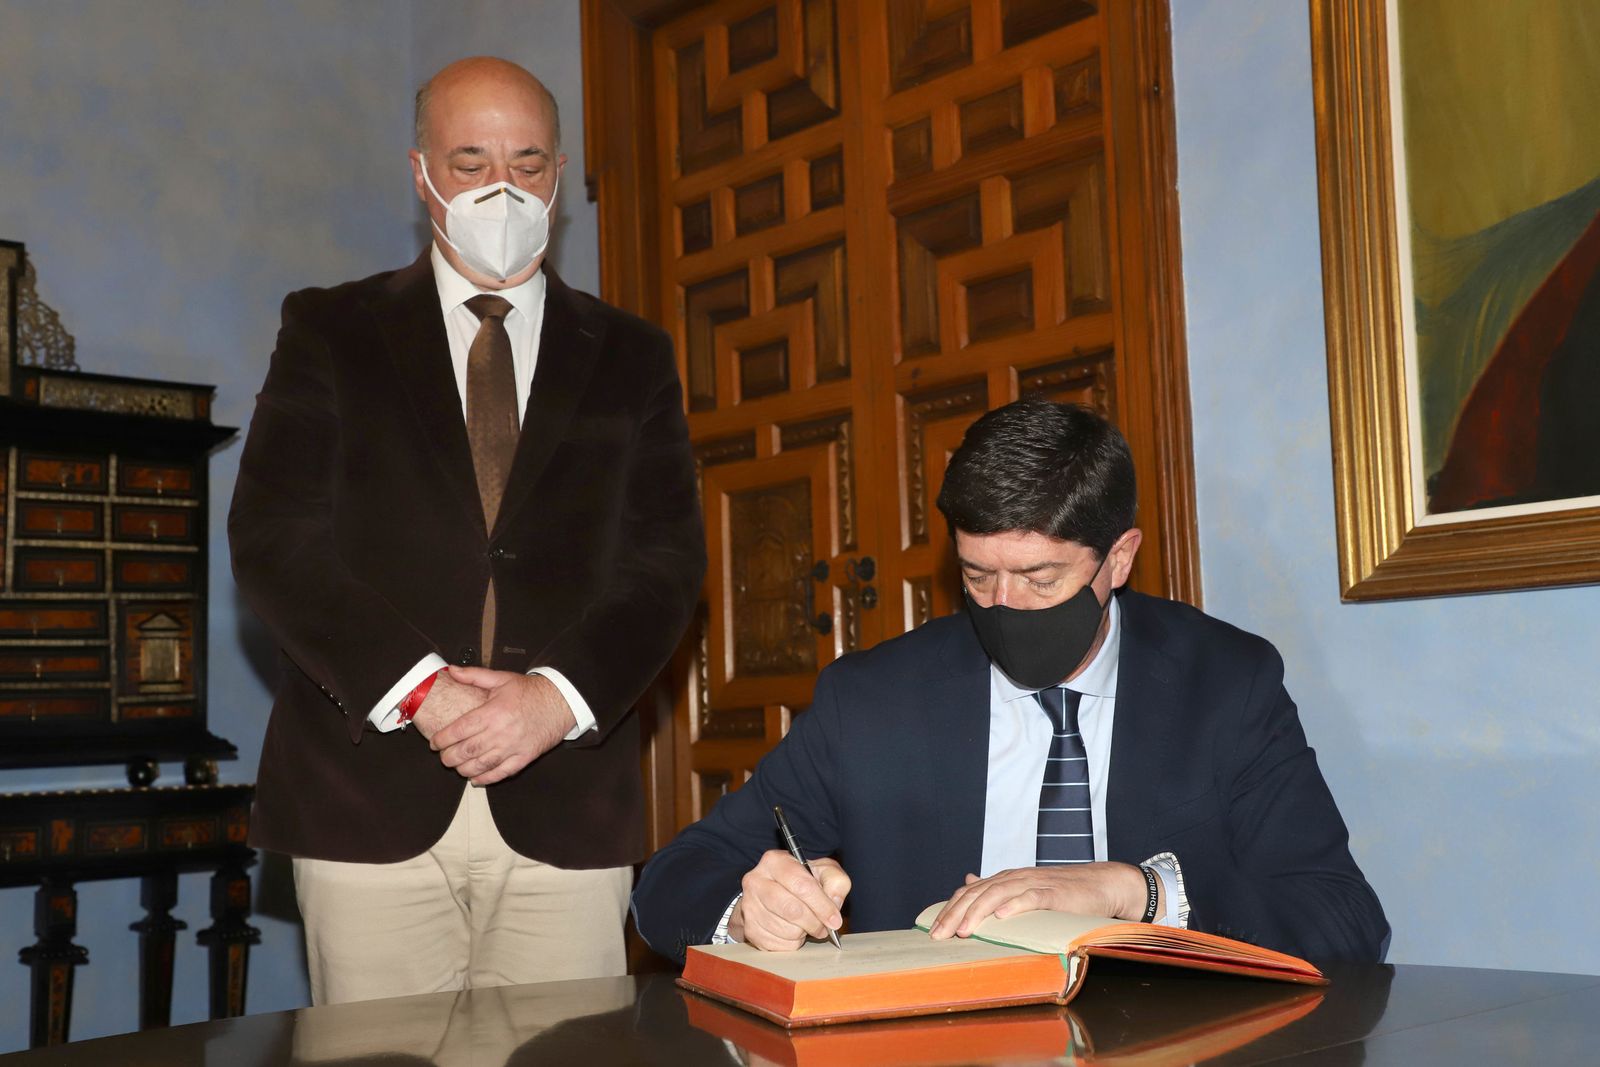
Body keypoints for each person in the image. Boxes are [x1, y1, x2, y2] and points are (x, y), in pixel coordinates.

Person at [229, 56, 705, 1004]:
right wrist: (421, 692)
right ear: (420, 173)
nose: (503, 187)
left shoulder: (633, 354)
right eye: (470, 160)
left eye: (528, 163)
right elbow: (276, 537)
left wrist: (551, 699)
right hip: (362, 798)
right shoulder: (330, 329)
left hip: (567, 798)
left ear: (560, 174)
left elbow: (665, 562)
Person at [632, 399, 1387, 964]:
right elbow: (670, 881)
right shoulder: (873, 701)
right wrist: (746, 912)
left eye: (1039, 577)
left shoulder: (1225, 683)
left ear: (1118, 559)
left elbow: (1345, 919)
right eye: (976, 574)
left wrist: (1137, 893)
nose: (1004, 605)